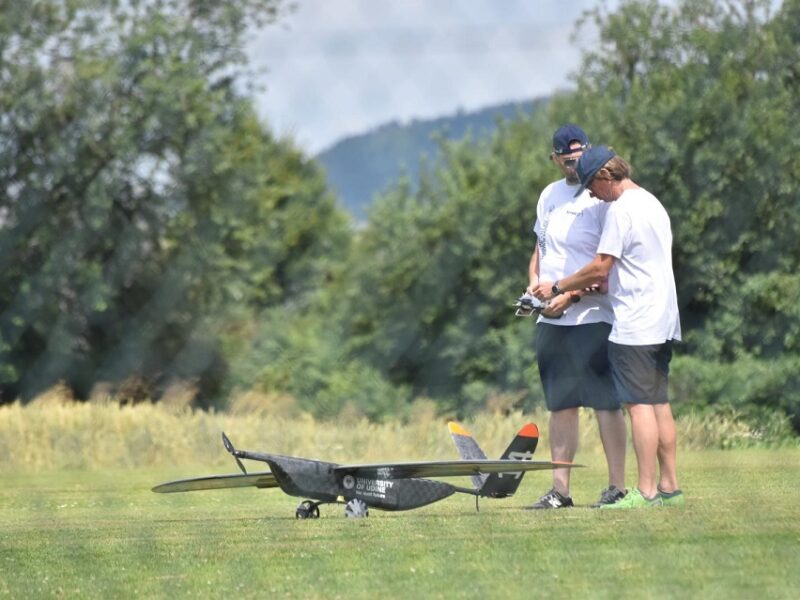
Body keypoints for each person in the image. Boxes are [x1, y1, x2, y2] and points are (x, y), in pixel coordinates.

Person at [533, 145, 684, 508]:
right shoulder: (651, 202)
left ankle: (644, 492)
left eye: (589, 185)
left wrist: (558, 287)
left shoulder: (620, 210)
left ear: (604, 175)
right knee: (659, 402)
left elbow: (600, 269)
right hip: (664, 316)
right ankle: (668, 486)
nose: (589, 194)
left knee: (638, 405)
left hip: (636, 318)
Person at [524, 125, 628, 510]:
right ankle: (560, 491)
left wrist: (568, 295)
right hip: (551, 320)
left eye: (579, 156)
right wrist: (534, 285)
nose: (573, 165)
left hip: (593, 318)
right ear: (554, 159)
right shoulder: (549, 195)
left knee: (605, 403)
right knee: (560, 405)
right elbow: (540, 247)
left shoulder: (600, 196)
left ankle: (617, 486)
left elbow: (606, 264)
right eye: (566, 159)